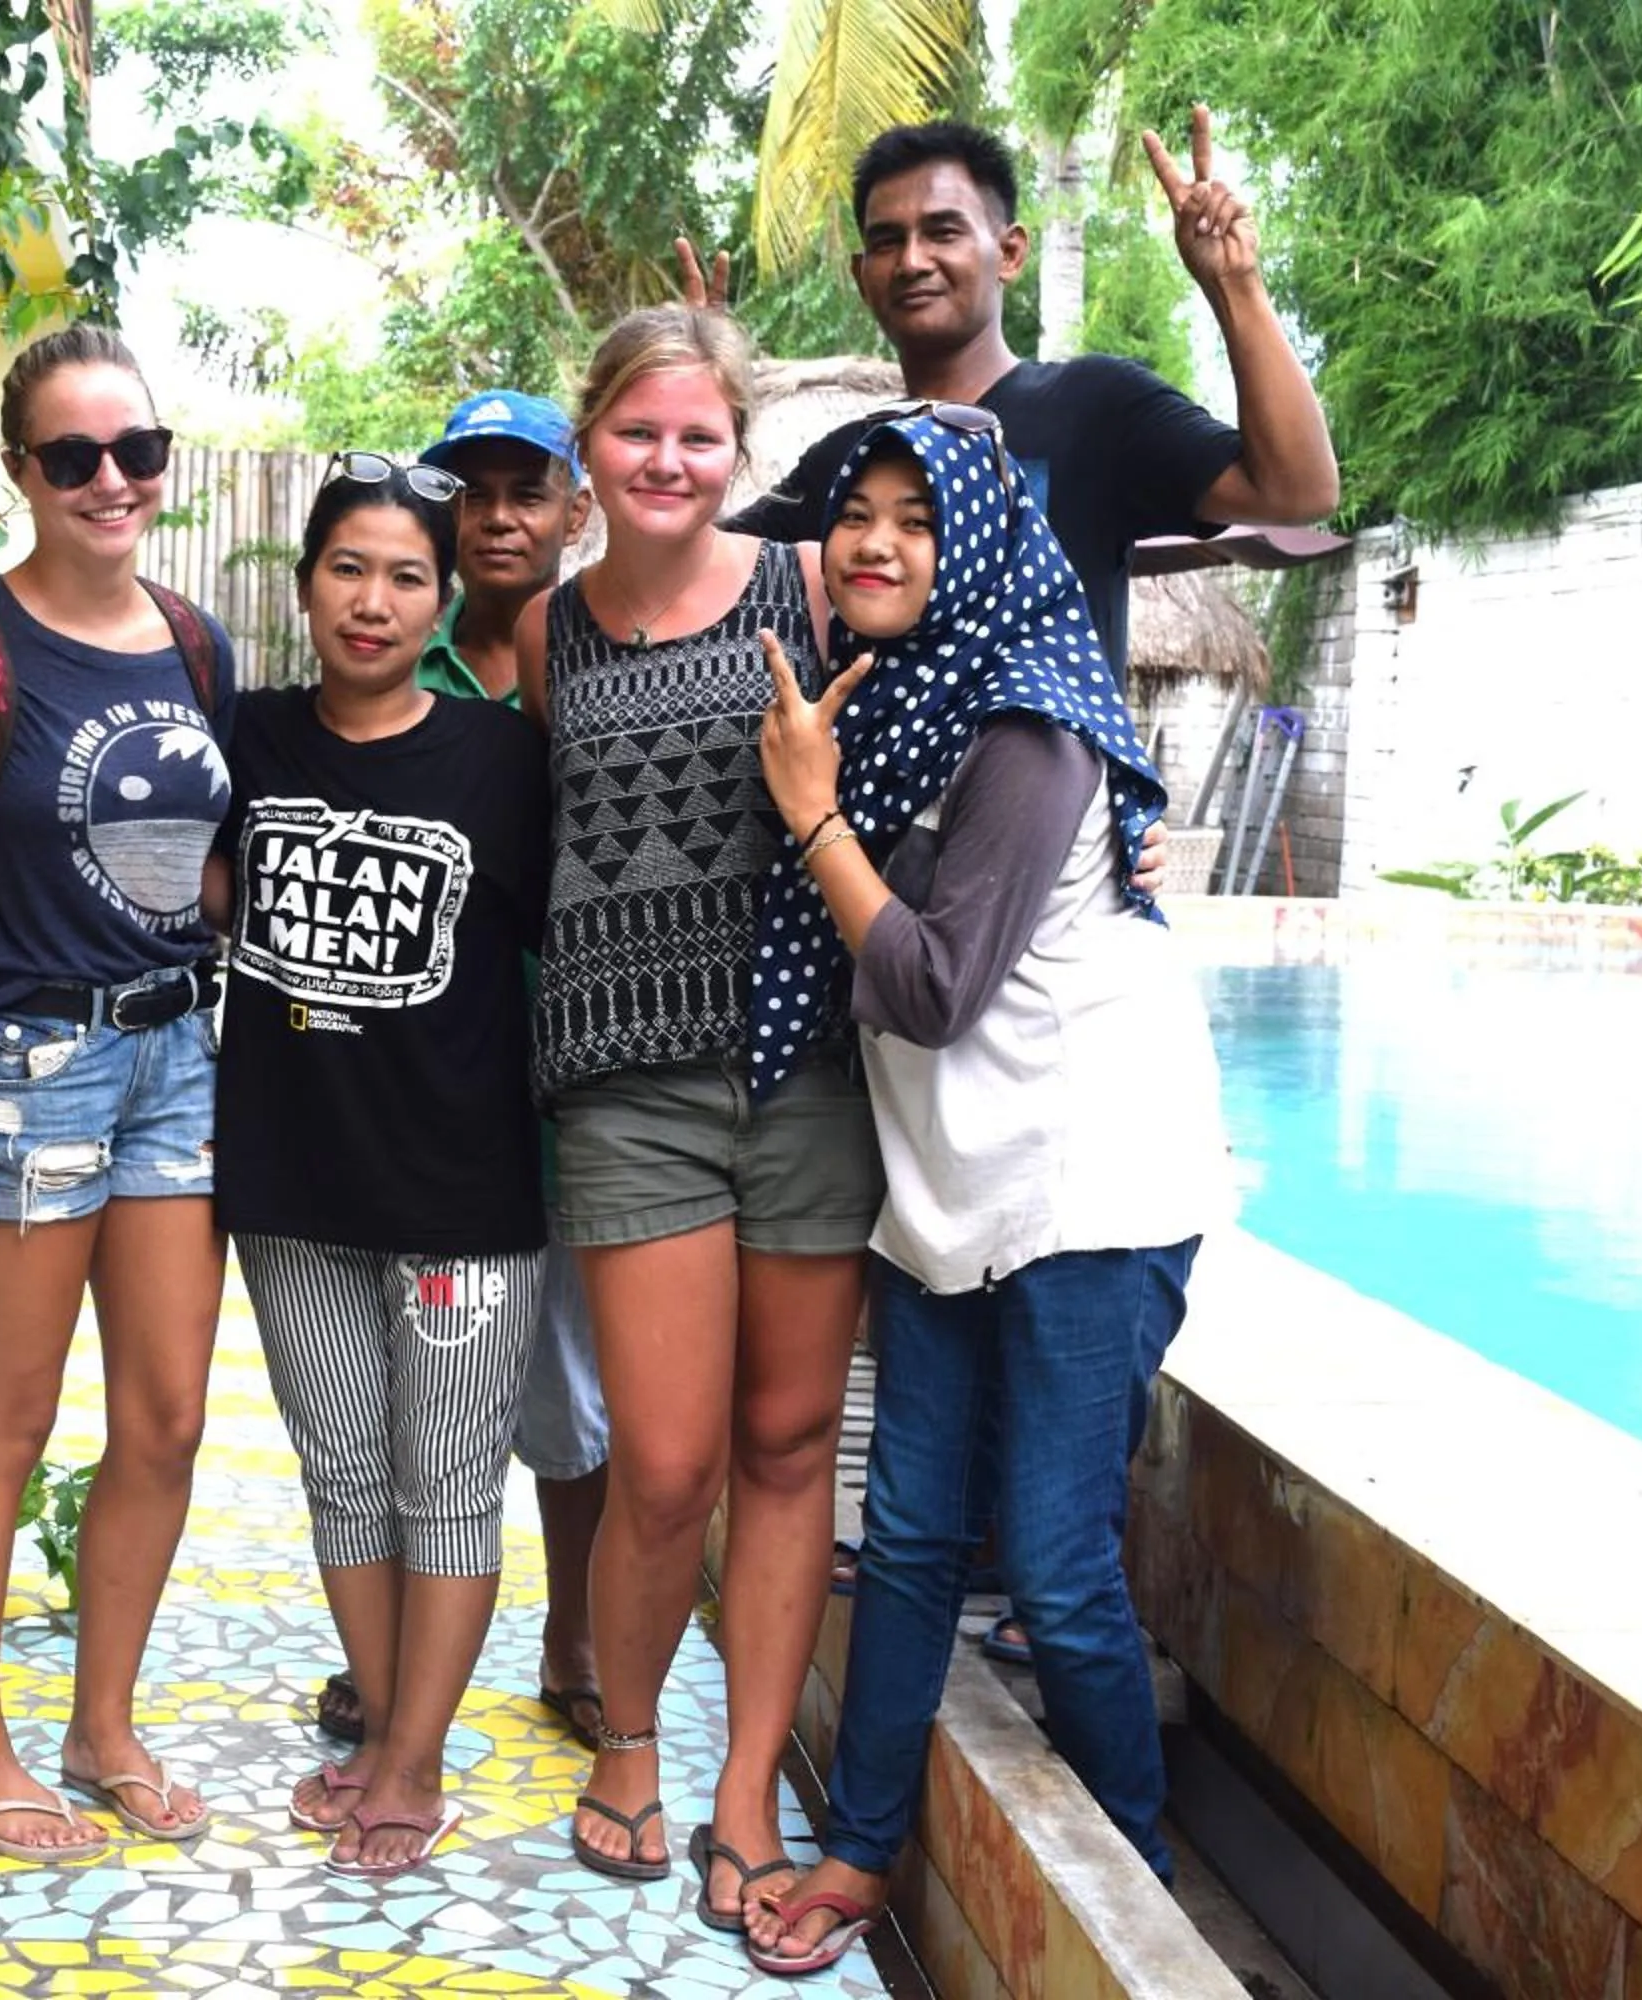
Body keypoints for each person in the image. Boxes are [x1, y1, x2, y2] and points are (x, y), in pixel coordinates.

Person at [738, 411, 1231, 1975]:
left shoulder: (1021, 721)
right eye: (854, 515)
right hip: (951, 1179)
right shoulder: (880, 704)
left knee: (1060, 1560)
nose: (876, 543)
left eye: (919, 519)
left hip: (1090, 1174)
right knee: (908, 1533)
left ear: (985, 547)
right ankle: (863, 1849)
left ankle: (1137, 1887)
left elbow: (938, 984)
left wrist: (811, 815)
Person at [517, 307, 877, 1928]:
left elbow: (936, 750)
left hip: (803, 1066)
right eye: (637, 432)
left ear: (739, 451)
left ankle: (745, 1789)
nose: (668, 461)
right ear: (590, 445)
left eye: (698, 436)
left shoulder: (807, 592)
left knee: (789, 1443)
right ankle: (633, 1731)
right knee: (664, 1464)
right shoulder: (545, 633)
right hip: (626, 1090)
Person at [0, 324, 237, 1862]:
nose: (110, 480)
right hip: (25, 1071)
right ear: (23, 472)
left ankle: (103, 1724)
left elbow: (217, 870)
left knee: (165, 1420)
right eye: (73, 455)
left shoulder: (198, 642)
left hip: (176, 1057)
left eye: (136, 451)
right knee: (3, 1423)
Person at [212, 456, 552, 1876]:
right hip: (294, 1186)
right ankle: (384, 1736)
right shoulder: (246, 738)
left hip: (464, 1195)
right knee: (342, 1472)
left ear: (444, 596)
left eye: (408, 575)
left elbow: (563, 936)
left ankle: (411, 1765)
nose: (374, 600)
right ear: (305, 588)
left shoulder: (502, 759)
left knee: (450, 1483)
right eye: (349, 569)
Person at [307, 390, 610, 1754]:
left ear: (572, 508)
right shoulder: (386, 661)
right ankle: (380, 1667)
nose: (498, 517)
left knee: (564, 1393)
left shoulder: (604, 655)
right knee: (376, 1399)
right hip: (417, 1101)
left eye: (525, 491)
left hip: (571, 1085)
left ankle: (575, 1635)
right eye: (471, 493)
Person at [719, 111, 1339, 677]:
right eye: (886, 241)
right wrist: (695, 387)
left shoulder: (1096, 409)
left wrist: (1235, 284)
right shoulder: (842, 460)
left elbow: (1296, 490)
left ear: (1009, 252)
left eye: (943, 232)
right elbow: (695, 565)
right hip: (875, 798)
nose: (912, 261)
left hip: (1047, 795)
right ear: (861, 276)